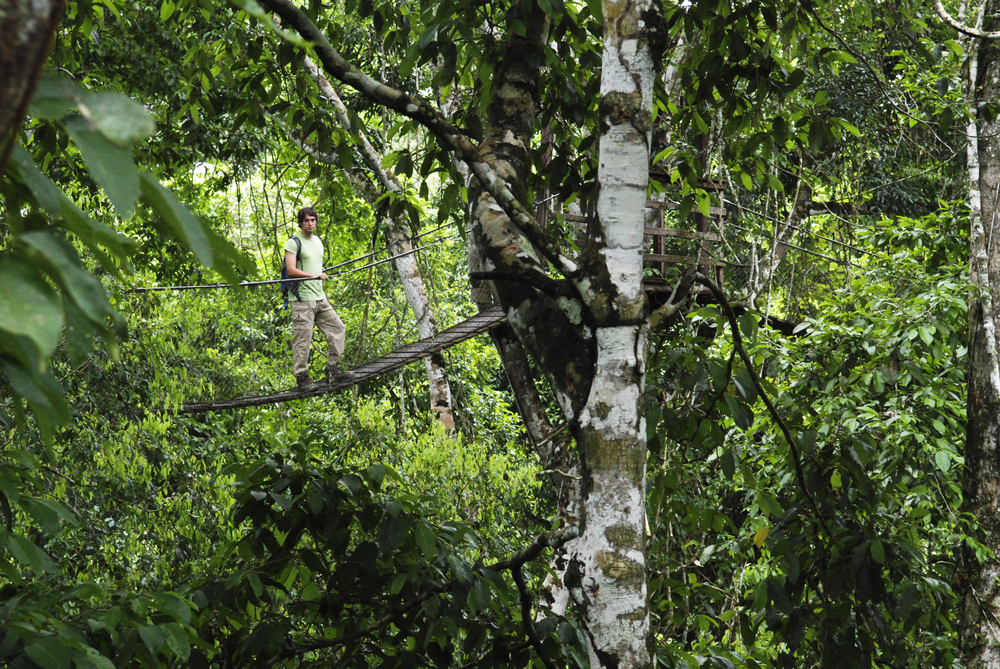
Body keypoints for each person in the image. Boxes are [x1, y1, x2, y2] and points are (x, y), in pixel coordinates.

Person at [284, 206, 355, 391]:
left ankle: (334, 368)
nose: (310, 223)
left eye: (313, 220)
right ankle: (302, 378)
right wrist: (314, 276)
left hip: (319, 296)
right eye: (306, 220)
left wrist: (318, 275)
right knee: (302, 339)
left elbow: (315, 266)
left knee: (338, 328)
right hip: (301, 299)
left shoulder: (317, 241)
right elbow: (291, 270)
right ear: (300, 223)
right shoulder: (293, 242)